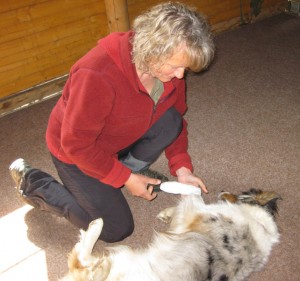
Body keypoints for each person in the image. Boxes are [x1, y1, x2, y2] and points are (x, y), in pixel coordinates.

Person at [9, 2, 215, 243]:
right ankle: (35, 183)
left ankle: (126, 168)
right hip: (75, 152)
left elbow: (176, 118)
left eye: (185, 67)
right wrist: (124, 178)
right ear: (154, 50)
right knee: (115, 229)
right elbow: (76, 145)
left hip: (118, 138)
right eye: (176, 66)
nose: (181, 75)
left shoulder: (168, 73)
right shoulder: (96, 74)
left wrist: (183, 169)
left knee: (170, 121)